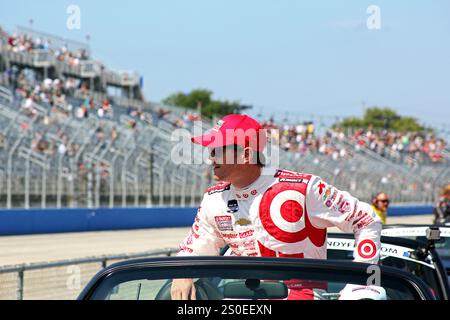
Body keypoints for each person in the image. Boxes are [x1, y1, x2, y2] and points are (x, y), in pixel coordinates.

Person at [171, 114, 382, 300]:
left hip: (301, 296)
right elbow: (197, 246)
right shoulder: (213, 199)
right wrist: (183, 273)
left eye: (217, 149)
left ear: (245, 155)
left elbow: (366, 219)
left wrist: (362, 284)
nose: (210, 156)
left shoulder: (303, 188)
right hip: (240, 298)